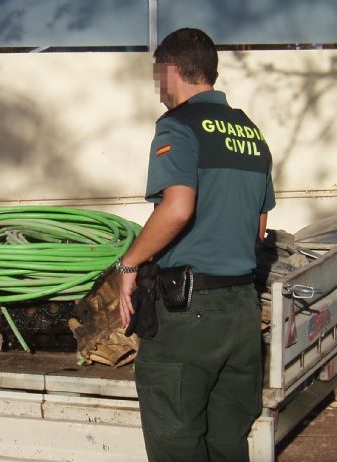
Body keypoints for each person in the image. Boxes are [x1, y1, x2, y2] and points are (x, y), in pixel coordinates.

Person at [118, 28, 275, 461]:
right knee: (228, 443)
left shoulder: (179, 125)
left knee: (177, 441)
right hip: (242, 309)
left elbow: (178, 208)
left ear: (171, 71)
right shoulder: (251, 133)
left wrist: (130, 264)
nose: (159, 90)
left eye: (158, 78)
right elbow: (258, 230)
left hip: (189, 314)